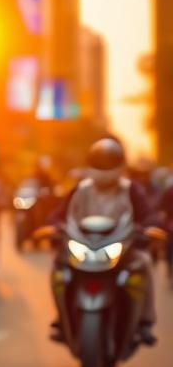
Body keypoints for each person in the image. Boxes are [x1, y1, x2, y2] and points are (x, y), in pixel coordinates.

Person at [52, 137, 157, 343]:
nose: (104, 168)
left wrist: (151, 226)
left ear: (120, 164)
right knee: (58, 267)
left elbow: (148, 214)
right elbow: (59, 214)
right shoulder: (80, 190)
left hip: (122, 247)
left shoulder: (130, 189)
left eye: (109, 163)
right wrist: (53, 225)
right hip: (83, 247)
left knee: (144, 263)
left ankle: (145, 321)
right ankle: (61, 319)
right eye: (100, 162)